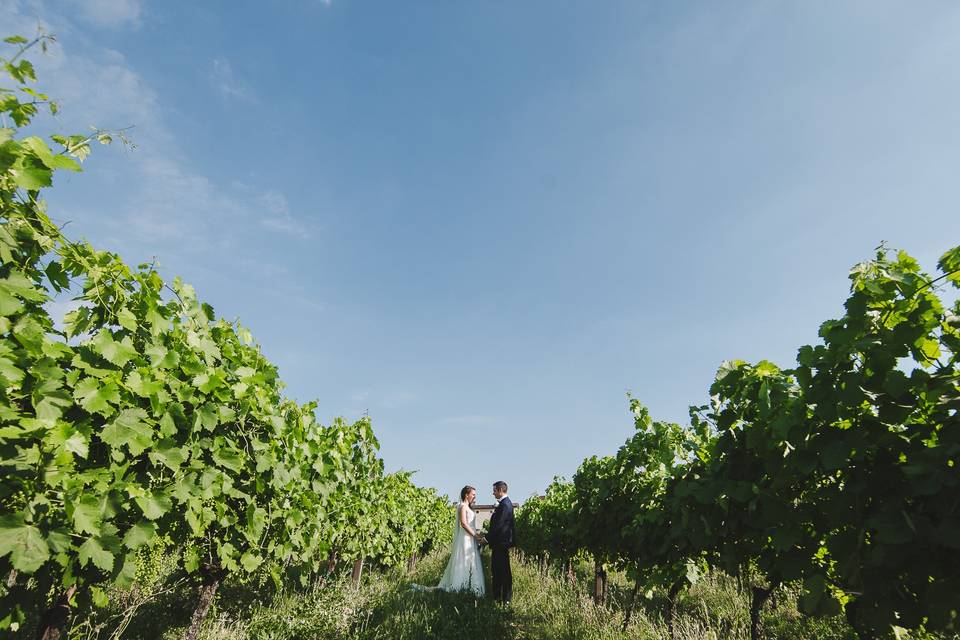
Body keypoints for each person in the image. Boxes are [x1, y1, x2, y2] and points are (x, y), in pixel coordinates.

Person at [413, 485, 485, 596]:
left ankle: (470, 587)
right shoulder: (462, 507)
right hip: (465, 539)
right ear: (467, 495)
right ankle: (460, 586)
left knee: (470, 561)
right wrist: (475, 535)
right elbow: (464, 524)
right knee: (464, 560)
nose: (475, 497)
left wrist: (477, 535)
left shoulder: (468, 507)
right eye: (473, 494)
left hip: (470, 537)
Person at [486, 480, 515, 604]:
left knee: (502, 572)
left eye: (494, 490)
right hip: (500, 543)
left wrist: (487, 539)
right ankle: (499, 598)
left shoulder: (505, 505)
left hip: (501, 543)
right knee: (498, 571)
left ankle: (504, 599)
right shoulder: (504, 504)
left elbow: (499, 525)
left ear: (500, 490)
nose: (493, 493)